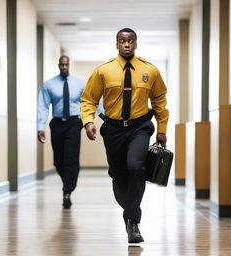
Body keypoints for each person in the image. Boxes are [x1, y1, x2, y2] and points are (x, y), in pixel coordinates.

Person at [80, 28, 169, 243]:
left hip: (140, 127)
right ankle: (129, 204)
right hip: (113, 130)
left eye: (131, 41)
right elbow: (88, 99)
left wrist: (162, 129)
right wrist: (88, 121)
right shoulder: (104, 71)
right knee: (119, 175)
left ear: (136, 44)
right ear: (116, 44)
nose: (127, 44)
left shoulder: (150, 70)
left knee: (136, 166)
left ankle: (132, 222)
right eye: (122, 41)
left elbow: (159, 100)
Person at [37, 56, 84, 209]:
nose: (64, 67)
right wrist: (40, 127)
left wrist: (100, 116)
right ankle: (68, 185)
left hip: (74, 123)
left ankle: (67, 192)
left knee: (71, 158)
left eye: (66, 64)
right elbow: (43, 106)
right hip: (57, 124)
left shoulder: (79, 83)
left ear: (69, 65)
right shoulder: (49, 84)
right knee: (58, 160)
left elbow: (90, 101)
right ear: (58, 65)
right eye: (62, 65)